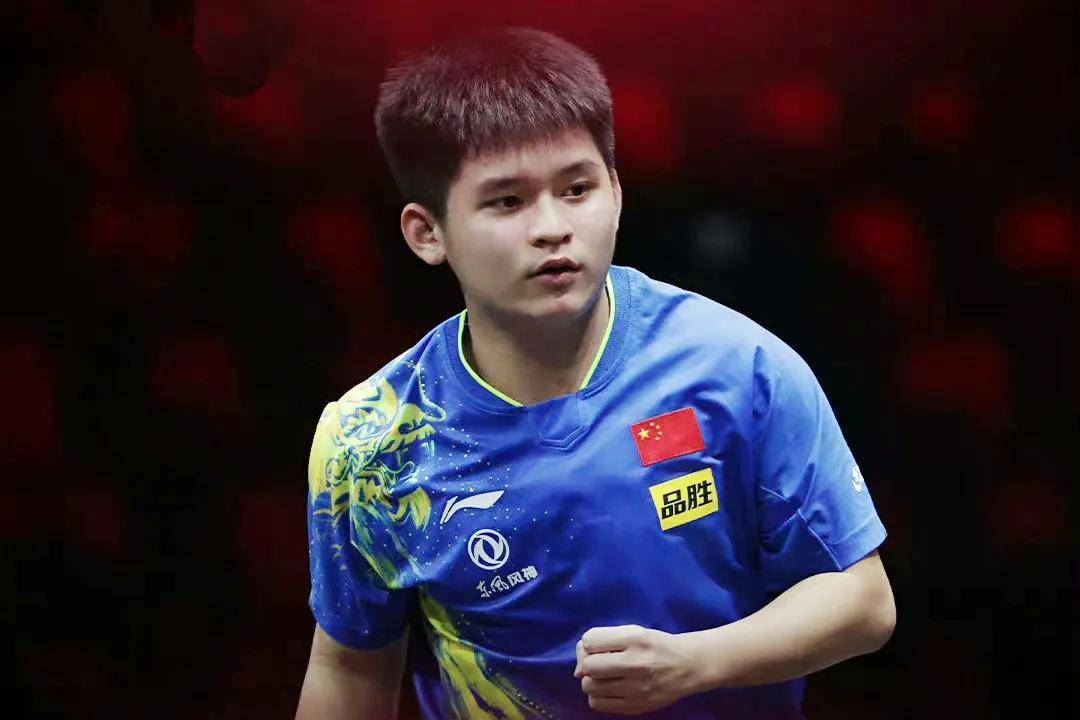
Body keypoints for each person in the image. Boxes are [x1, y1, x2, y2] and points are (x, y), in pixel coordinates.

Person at [295, 26, 895, 720]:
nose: (552, 227)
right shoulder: (371, 441)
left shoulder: (736, 368)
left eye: (577, 189)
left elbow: (863, 601)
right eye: (507, 202)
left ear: (616, 191)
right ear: (427, 233)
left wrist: (697, 663)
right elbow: (349, 668)